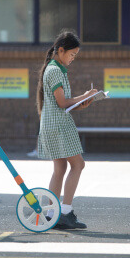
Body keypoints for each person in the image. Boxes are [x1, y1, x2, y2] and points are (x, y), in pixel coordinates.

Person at [36, 30, 97, 229]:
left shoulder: (56, 68)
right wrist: (86, 95)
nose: (72, 59)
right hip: (59, 126)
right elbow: (62, 103)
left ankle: (52, 214)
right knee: (78, 165)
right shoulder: (54, 70)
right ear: (61, 50)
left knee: (60, 169)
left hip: (53, 125)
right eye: (71, 54)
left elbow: (63, 103)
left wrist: (81, 104)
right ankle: (65, 211)